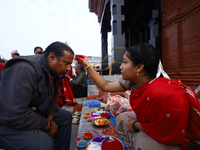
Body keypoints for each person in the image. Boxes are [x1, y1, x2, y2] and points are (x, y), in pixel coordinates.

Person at [75, 43, 200, 150]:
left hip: (172, 134)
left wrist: (135, 126)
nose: (120, 66)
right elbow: (106, 86)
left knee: (143, 145)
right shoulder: (133, 81)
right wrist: (87, 65)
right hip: (151, 123)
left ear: (139, 67)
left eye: (124, 62)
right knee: (122, 117)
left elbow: (166, 129)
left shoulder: (162, 92)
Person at [0, 41, 74, 150]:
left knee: (65, 117)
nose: (69, 68)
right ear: (52, 57)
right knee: (42, 143)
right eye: (66, 63)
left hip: (33, 113)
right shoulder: (25, 69)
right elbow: (14, 114)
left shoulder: (54, 73)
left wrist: (50, 119)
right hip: (7, 122)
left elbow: (53, 99)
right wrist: (47, 125)